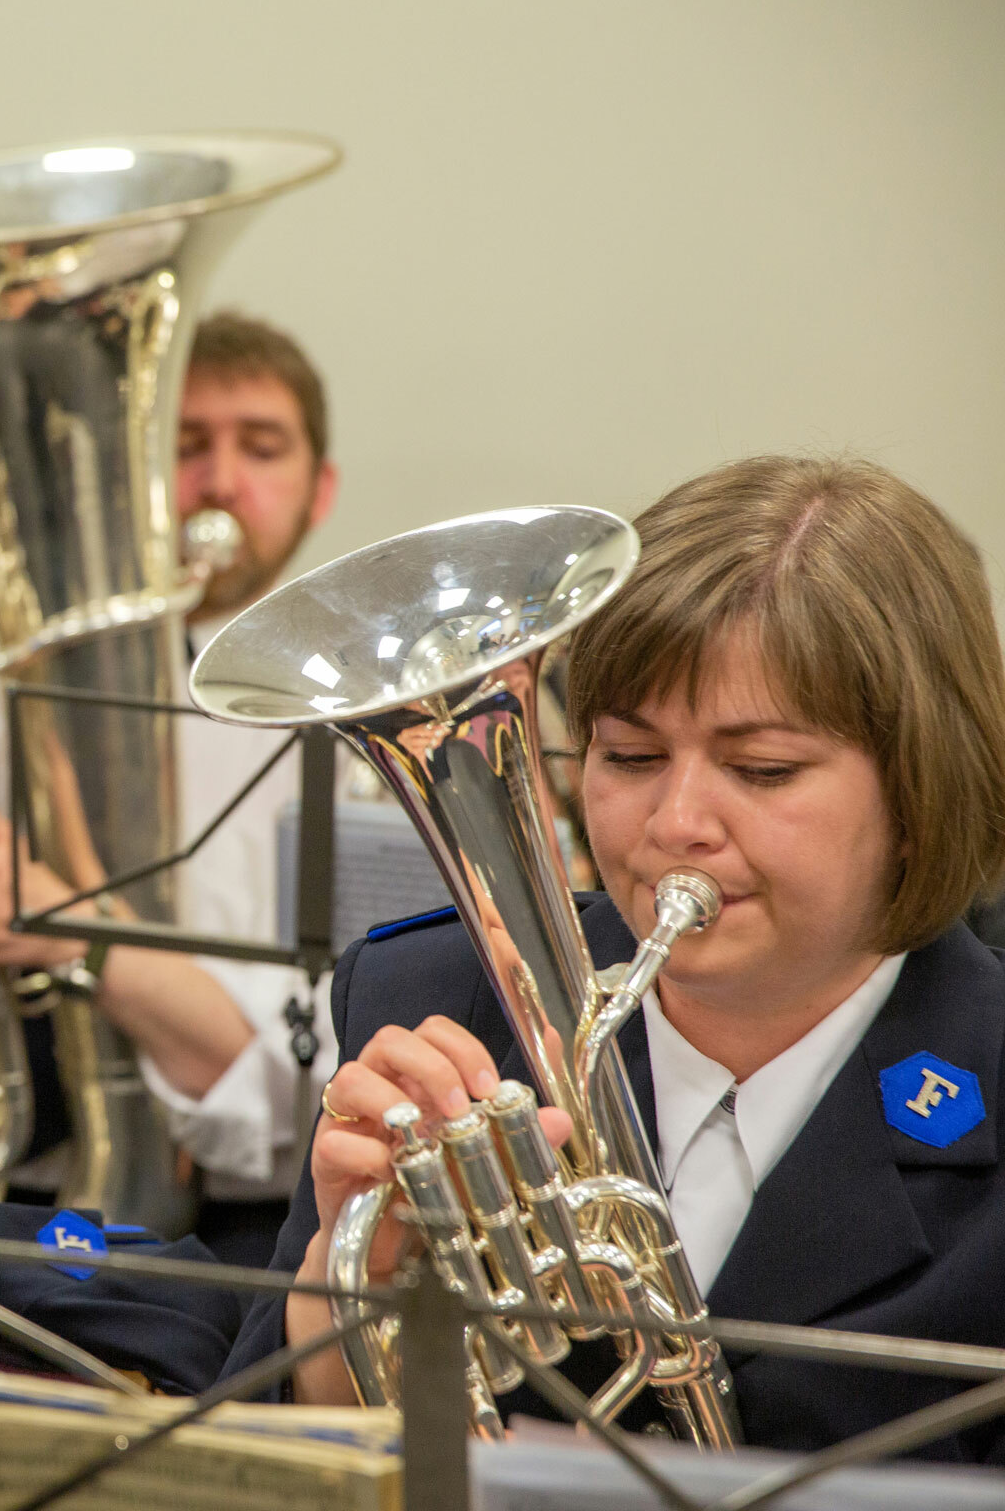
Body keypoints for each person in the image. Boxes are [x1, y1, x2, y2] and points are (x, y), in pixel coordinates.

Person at [226, 455, 1005, 1460]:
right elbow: (260, 1459)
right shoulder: (436, 998)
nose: (675, 824)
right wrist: (351, 1290)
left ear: (917, 789)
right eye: (630, 757)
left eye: (761, 770)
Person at [0, 310, 343, 1264]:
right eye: (187, 445)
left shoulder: (356, 725)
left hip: (244, 1230)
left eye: (262, 447)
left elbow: (306, 1078)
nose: (223, 481)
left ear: (319, 490)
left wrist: (63, 928)